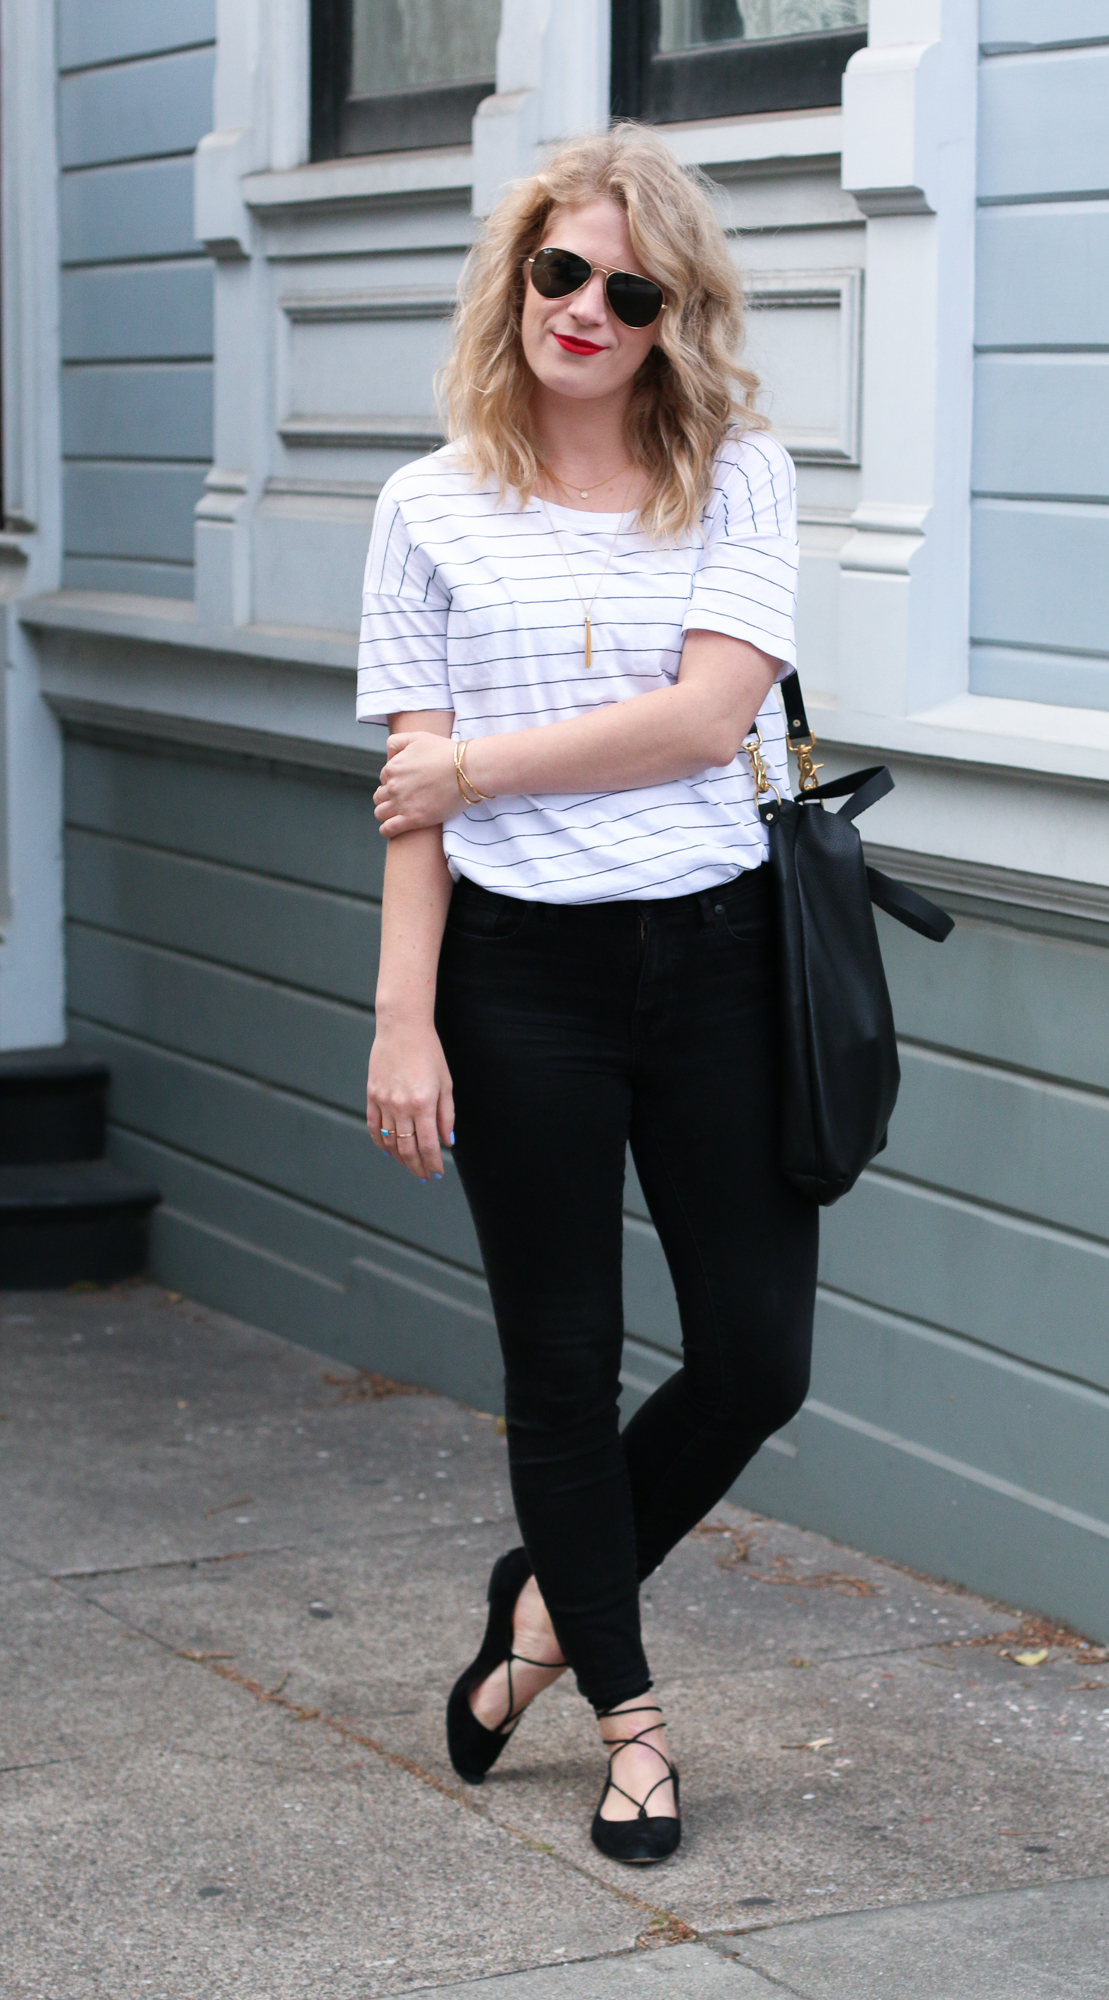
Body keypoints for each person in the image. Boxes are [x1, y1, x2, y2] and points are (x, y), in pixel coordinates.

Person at [357, 123, 818, 1866]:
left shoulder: (736, 472)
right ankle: (629, 1724)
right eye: (563, 271)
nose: (589, 308)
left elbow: (710, 721)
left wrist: (478, 768)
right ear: (517, 275)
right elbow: (410, 803)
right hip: (515, 979)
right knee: (558, 1371)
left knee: (754, 1362)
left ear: (670, 311)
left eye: (632, 288)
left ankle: (537, 1613)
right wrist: (404, 1019)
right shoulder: (427, 506)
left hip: (714, 960)